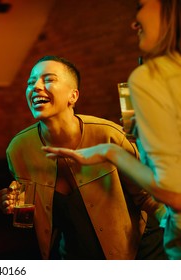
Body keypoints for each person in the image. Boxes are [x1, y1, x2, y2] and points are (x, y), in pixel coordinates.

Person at [42, 0, 181, 260]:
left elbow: (172, 193)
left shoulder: (151, 78)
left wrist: (111, 152)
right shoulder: (19, 148)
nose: (134, 21)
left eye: (140, 6)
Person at [0, 55, 166, 260]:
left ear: (73, 96)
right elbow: (30, 213)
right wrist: (11, 201)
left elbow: (146, 197)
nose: (36, 87)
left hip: (136, 251)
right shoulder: (19, 149)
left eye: (48, 79)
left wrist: (174, 226)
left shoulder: (109, 135)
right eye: (31, 83)